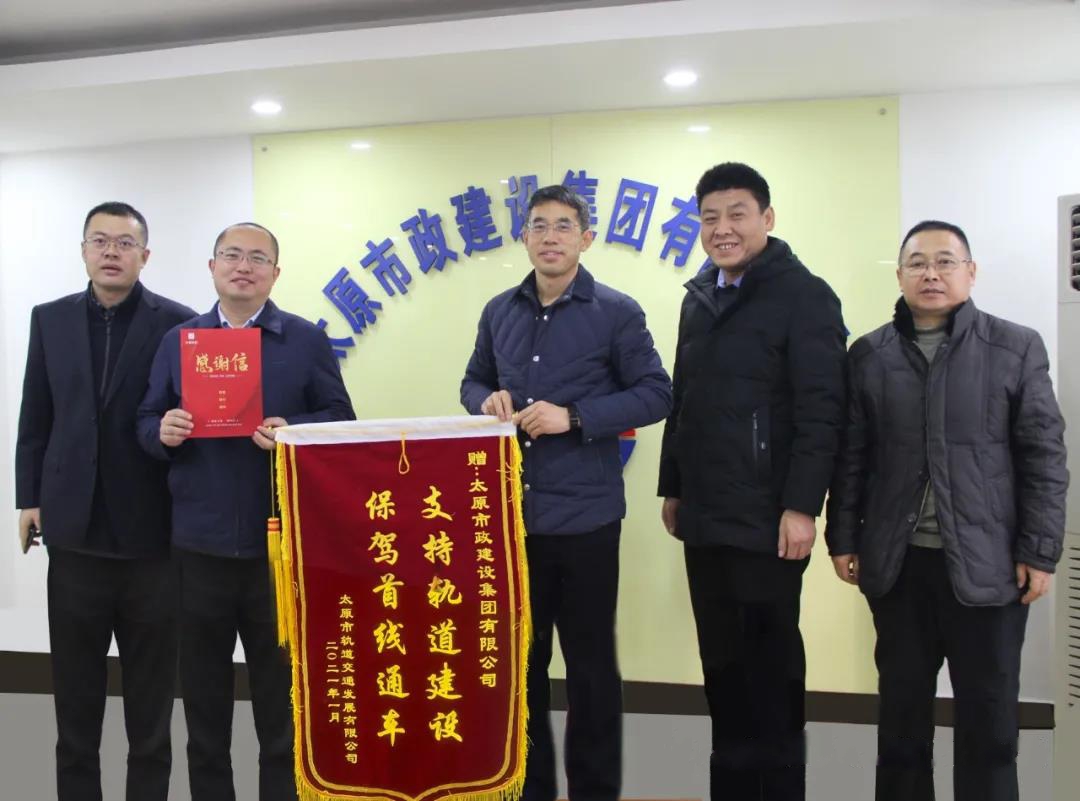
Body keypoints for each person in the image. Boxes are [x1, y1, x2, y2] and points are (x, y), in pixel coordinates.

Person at [825, 220, 1068, 801]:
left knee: (990, 727)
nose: (930, 273)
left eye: (945, 261)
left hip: (989, 568)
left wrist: (1040, 552)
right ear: (900, 274)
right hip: (900, 566)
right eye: (917, 263)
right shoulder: (870, 354)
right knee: (901, 723)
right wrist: (843, 537)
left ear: (970, 272)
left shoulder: (1015, 347)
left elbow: (1044, 456)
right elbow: (852, 455)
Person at [461, 185, 672, 801]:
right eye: (538, 225)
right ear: (523, 236)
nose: (549, 236)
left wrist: (574, 417)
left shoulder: (616, 311)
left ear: (586, 238)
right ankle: (528, 790)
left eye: (562, 225)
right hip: (511, 520)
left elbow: (657, 393)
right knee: (519, 670)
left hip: (586, 522)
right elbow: (472, 380)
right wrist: (486, 400)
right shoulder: (499, 310)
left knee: (590, 670)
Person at [137, 222, 355, 801]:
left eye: (257, 258)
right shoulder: (180, 340)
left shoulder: (305, 340)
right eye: (231, 256)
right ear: (212, 267)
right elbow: (145, 420)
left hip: (278, 550)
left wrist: (294, 429)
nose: (243, 266)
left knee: (281, 707)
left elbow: (340, 418)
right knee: (204, 706)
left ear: (275, 274)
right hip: (197, 547)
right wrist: (163, 430)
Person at [657, 162, 847, 800]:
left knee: (771, 673)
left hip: (769, 520)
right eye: (710, 217)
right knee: (723, 672)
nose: (723, 228)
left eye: (737, 214)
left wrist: (802, 506)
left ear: (767, 218)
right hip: (705, 514)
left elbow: (823, 410)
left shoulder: (805, 295)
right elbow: (684, 400)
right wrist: (673, 486)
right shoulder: (698, 297)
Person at [15, 201, 196, 801]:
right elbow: (36, 413)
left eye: (124, 242)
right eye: (100, 240)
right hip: (73, 534)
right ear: (84, 251)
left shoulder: (179, 324)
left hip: (153, 538)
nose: (111, 251)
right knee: (75, 697)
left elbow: (189, 420)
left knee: (150, 701)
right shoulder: (49, 319)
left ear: (146, 255)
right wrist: (29, 497)